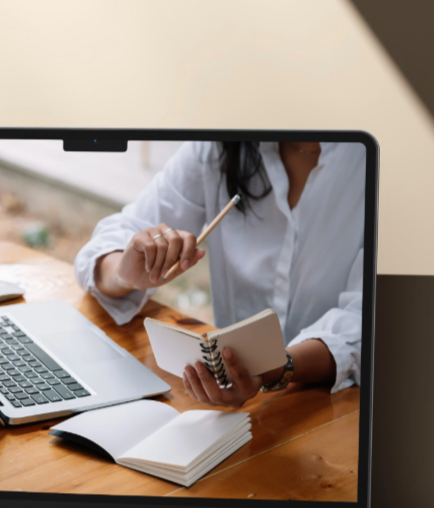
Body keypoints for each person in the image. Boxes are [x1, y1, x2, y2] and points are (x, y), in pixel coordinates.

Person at [74, 141, 365, 408]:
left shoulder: (371, 156)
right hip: (230, 407)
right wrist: (124, 274)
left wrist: (274, 369)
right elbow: (112, 240)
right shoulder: (220, 146)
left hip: (337, 405)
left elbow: (369, 321)